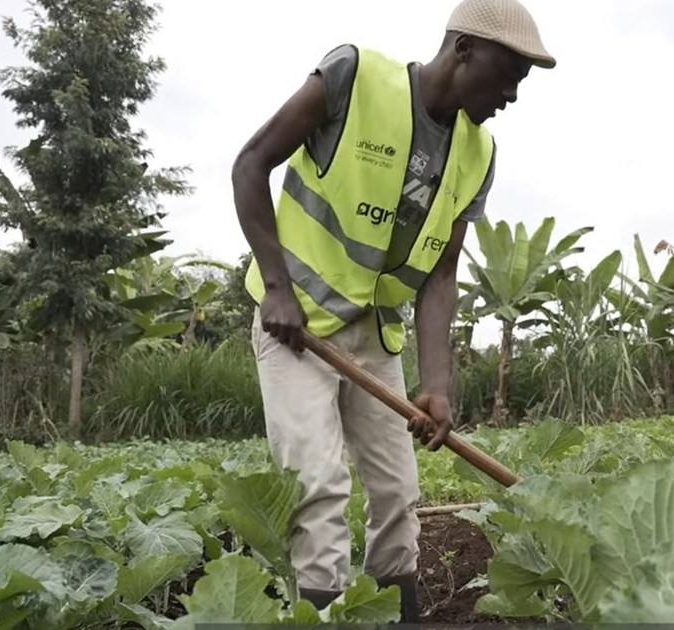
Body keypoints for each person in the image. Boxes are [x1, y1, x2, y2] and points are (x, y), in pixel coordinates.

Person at [230, 0, 554, 621]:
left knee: (399, 494)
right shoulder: (353, 78)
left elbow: (440, 275)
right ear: (463, 49)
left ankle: (397, 616)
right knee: (318, 489)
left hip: (375, 338)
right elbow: (250, 165)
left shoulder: (478, 152)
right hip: (299, 327)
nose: (512, 95)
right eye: (507, 75)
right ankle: (325, 614)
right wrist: (276, 287)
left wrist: (437, 386)